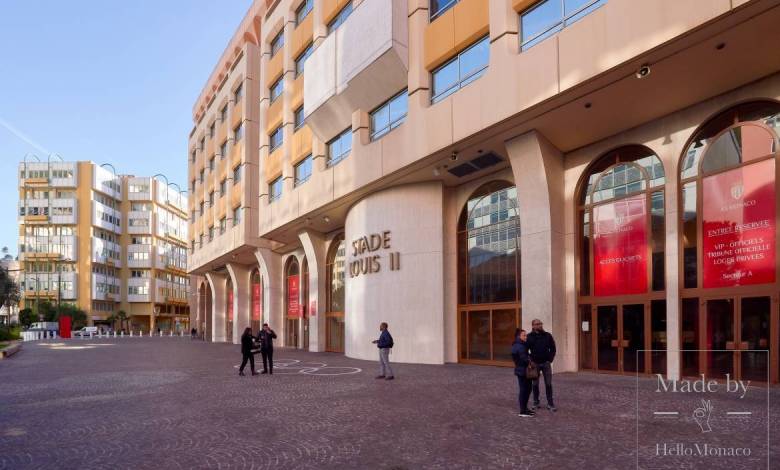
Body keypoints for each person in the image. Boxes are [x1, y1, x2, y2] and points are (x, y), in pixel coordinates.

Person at [526, 319, 557, 412]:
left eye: (540, 324)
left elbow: (553, 348)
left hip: (546, 363)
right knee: (535, 384)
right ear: (533, 326)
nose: (540, 325)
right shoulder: (529, 337)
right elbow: (525, 350)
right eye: (537, 324)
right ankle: (536, 402)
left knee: (548, 384)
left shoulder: (547, 336)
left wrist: (550, 360)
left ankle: (550, 404)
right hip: (535, 364)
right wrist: (530, 361)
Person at [511, 329, 534, 417]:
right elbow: (524, 358)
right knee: (524, 390)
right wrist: (530, 361)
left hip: (522, 370)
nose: (526, 337)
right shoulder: (519, 346)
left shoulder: (520, 345)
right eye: (524, 335)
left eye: (526, 335)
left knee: (527, 389)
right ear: (519, 336)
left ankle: (525, 408)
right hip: (522, 371)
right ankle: (522, 411)